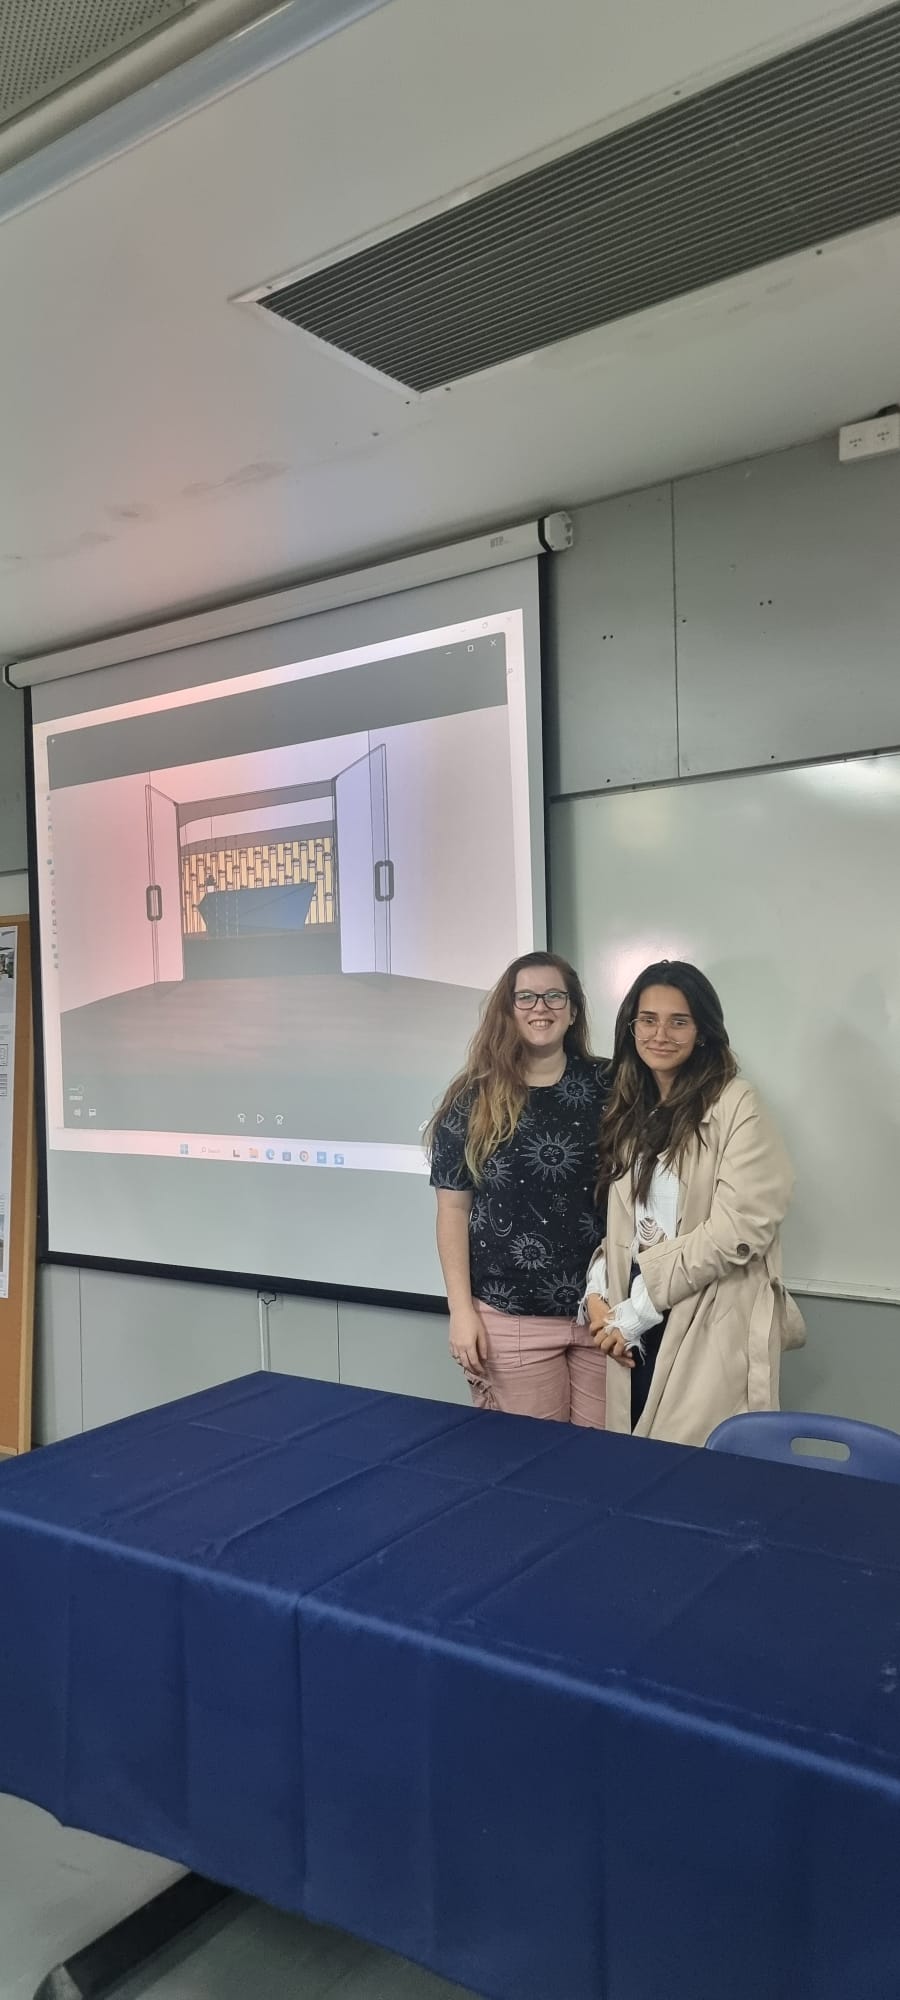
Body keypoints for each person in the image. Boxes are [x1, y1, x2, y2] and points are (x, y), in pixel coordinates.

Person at [583, 960, 804, 1446]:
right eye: (648, 1020)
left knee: (695, 1463)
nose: (660, 1034)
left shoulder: (737, 1103)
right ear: (631, 1028)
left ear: (702, 1031)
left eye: (678, 1021)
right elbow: (622, 1224)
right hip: (632, 1312)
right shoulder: (631, 1108)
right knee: (636, 1457)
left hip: (704, 1311)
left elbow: (739, 1229)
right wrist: (598, 1296)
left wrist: (637, 1311)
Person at [427, 952, 610, 1425]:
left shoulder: (612, 1087)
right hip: (511, 1321)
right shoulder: (473, 1098)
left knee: (605, 1460)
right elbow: (453, 1211)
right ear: (507, 1010)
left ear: (573, 1010)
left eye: (554, 996)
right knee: (529, 1462)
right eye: (525, 997)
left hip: (605, 1316)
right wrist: (460, 1311)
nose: (540, 1007)